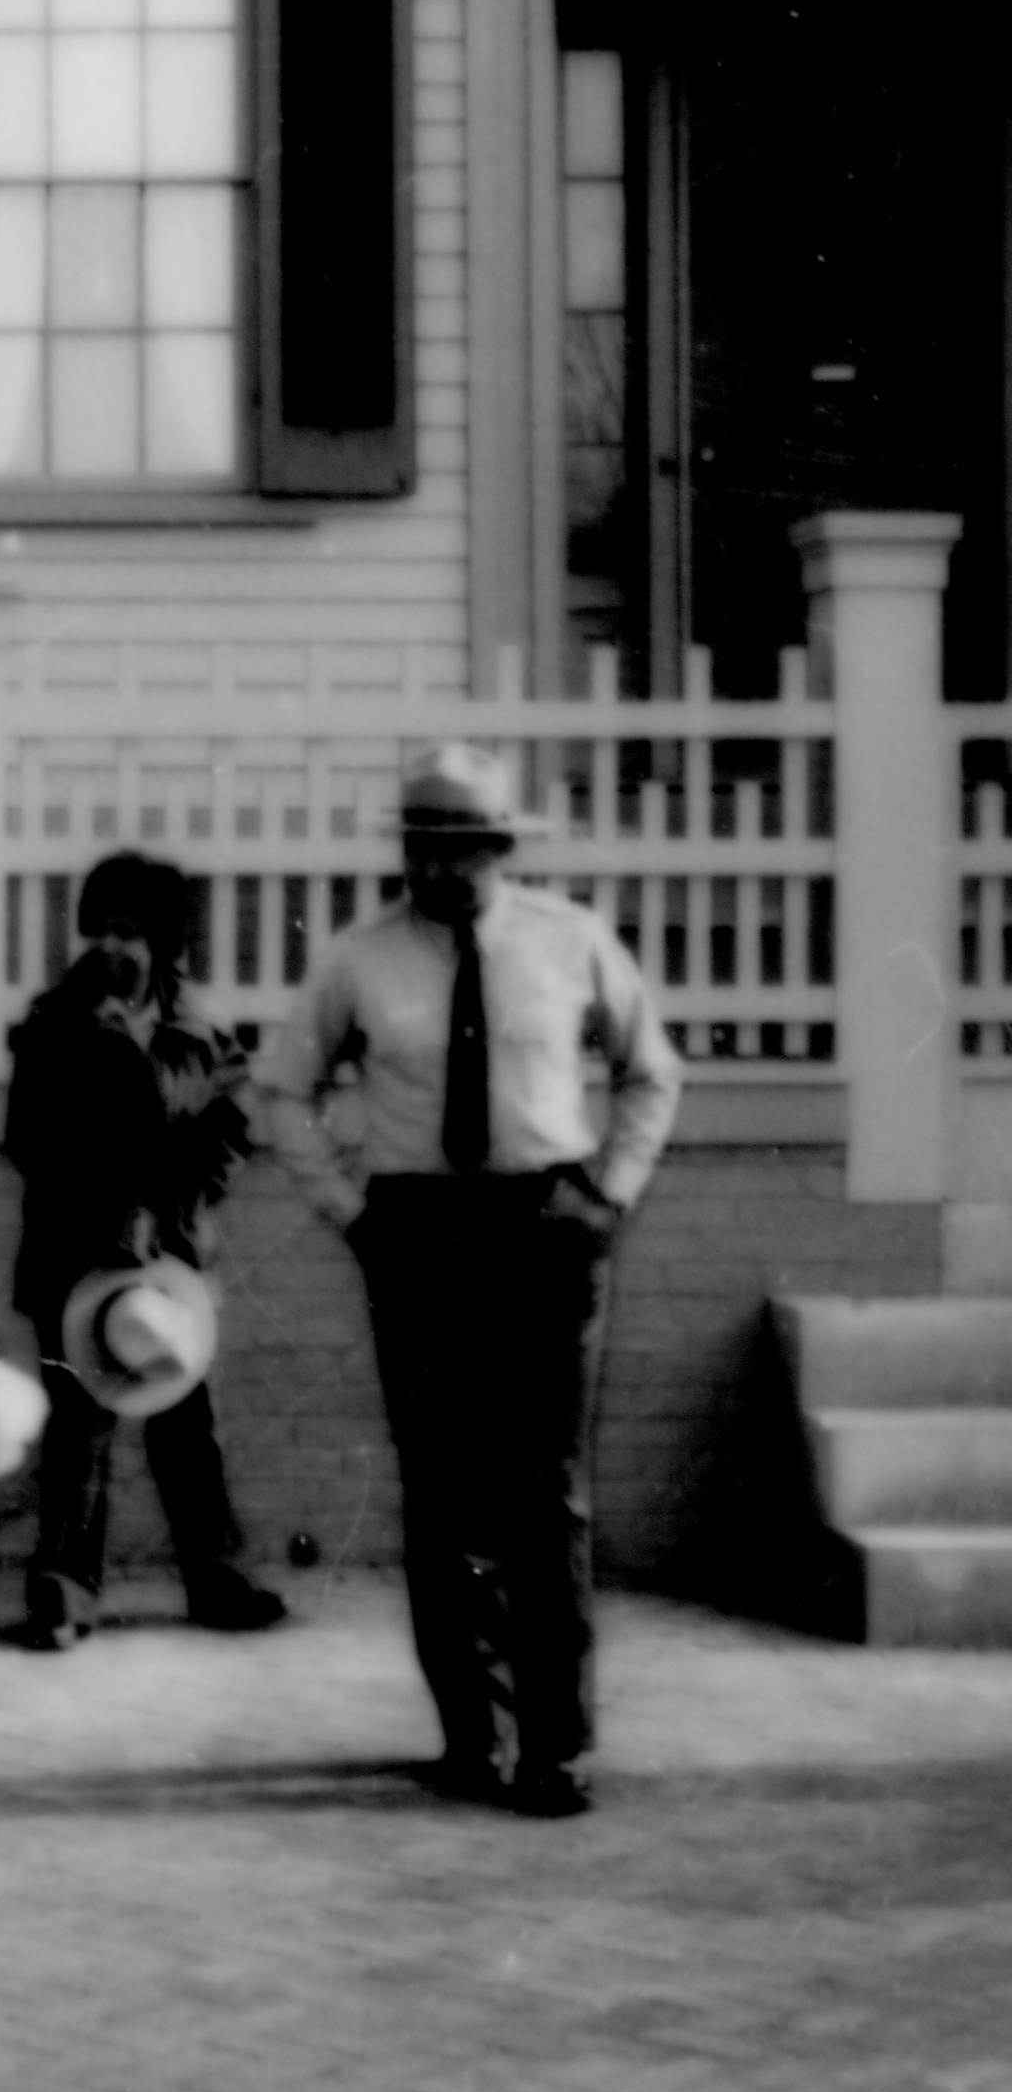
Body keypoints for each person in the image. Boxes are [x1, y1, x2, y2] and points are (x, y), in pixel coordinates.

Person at [259, 741, 684, 1820]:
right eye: (422, 845)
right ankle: (472, 1740)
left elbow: (651, 1072)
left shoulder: (570, 941)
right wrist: (352, 1214)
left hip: (544, 1225)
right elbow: (282, 1090)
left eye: (461, 846)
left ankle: (556, 1747)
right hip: (421, 1235)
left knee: (548, 1492)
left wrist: (608, 1196)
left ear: (500, 846)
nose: (439, 867)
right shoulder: (360, 959)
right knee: (446, 1492)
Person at [2, 851, 285, 1651]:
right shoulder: (56, 1022)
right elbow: (29, 1138)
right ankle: (64, 1593)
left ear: (164, 942)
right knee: (78, 1429)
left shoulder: (200, 1028)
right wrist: (107, 1213)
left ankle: (216, 1577)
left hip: (175, 1258)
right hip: (76, 1256)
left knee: (188, 1422)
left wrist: (165, 1212)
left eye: (134, 933)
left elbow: (229, 1132)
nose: (117, 949)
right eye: (105, 931)